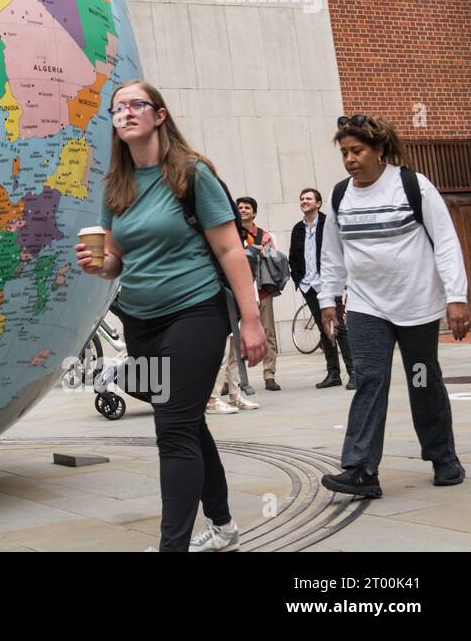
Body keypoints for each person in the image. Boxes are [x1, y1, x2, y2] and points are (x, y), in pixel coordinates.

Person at [75, 80, 266, 552]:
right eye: (116, 108)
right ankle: (223, 526)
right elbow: (116, 260)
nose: (124, 113)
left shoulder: (191, 174)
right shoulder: (116, 185)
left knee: (174, 428)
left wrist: (251, 319)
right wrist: (100, 265)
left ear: (159, 115)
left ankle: (171, 546)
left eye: (135, 104)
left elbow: (230, 249)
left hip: (195, 312)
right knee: (187, 422)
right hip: (141, 321)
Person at [318, 114, 468, 497]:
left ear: (379, 149)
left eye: (357, 150)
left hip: (416, 305)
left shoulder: (412, 185)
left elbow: (446, 242)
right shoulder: (340, 195)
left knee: (421, 379)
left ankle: (442, 458)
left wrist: (456, 297)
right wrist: (328, 299)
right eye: (344, 152)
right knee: (369, 378)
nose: (350, 159)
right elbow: (332, 252)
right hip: (367, 306)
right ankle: (361, 469)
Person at [290, 187, 355, 389]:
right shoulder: (297, 228)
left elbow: (339, 251)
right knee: (323, 328)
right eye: (302, 198)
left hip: (329, 283)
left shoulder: (328, 224)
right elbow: (293, 256)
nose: (304, 201)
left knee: (338, 327)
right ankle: (333, 373)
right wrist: (299, 278)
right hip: (308, 285)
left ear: (318, 203)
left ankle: (354, 372)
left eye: (308, 198)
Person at [236, 197, 281, 391]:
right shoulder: (232, 234)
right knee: (233, 334)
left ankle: (269, 375)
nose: (243, 210)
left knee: (268, 332)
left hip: (261, 291)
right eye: (240, 207)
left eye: (247, 208)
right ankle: (230, 379)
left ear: (254, 213)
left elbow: (276, 256)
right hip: (237, 291)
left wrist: (265, 252)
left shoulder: (263, 236)